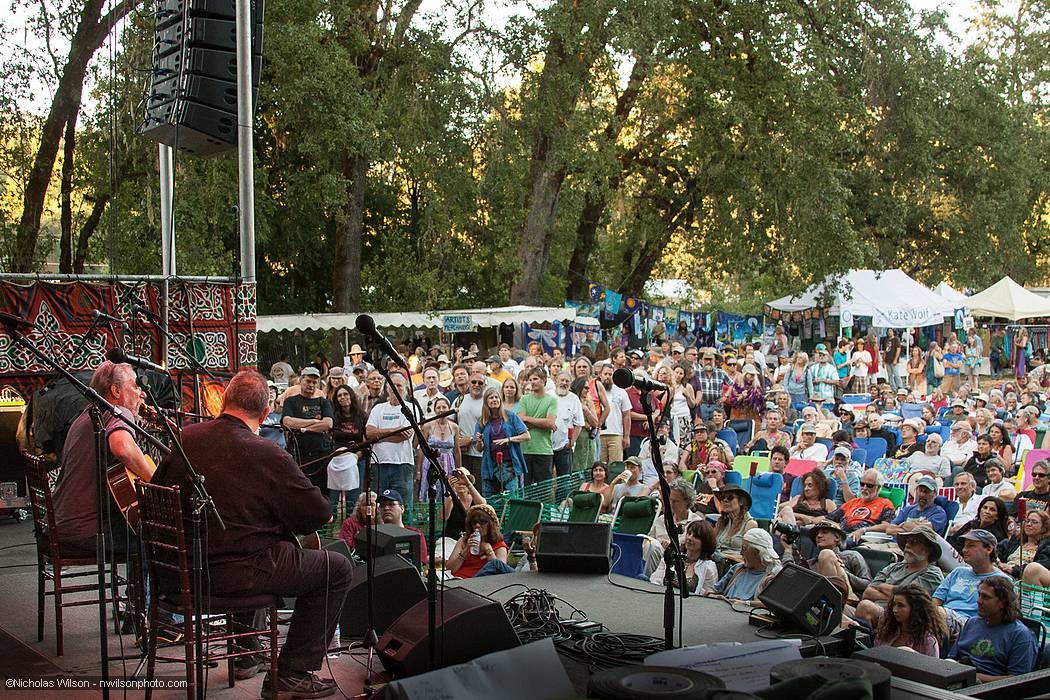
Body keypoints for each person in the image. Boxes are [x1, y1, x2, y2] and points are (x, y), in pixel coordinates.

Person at [153, 370, 351, 698]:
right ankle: (291, 672)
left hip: (178, 575)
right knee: (337, 569)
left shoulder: (183, 440)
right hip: (236, 575)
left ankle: (246, 651)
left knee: (256, 544)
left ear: (224, 402)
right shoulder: (265, 452)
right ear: (264, 413)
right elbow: (316, 514)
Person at [53, 360, 156, 555]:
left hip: (62, 524)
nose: (142, 393)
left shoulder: (85, 416)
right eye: (135, 386)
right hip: (88, 530)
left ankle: (138, 587)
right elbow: (122, 448)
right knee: (160, 538)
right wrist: (156, 480)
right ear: (116, 391)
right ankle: (147, 587)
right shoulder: (117, 412)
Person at [949, 576, 1037, 682]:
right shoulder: (971, 623)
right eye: (979, 595)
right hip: (957, 676)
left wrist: (972, 677)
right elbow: (952, 658)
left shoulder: (1021, 635)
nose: (979, 601)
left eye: (985, 597)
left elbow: (1018, 680)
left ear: (1002, 603)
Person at [854, 527, 945, 627]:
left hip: (898, 619)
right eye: (907, 541)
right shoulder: (893, 567)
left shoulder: (932, 574)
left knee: (865, 607)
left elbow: (911, 600)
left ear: (928, 549)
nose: (908, 545)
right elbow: (867, 593)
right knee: (840, 607)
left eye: (915, 542)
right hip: (874, 610)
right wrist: (898, 594)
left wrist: (882, 587)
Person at [934, 529, 1012, 640]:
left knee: (939, 613)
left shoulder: (1002, 580)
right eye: (965, 546)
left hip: (972, 625)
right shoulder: (958, 572)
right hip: (943, 617)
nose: (964, 550)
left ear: (989, 549)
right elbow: (936, 600)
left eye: (971, 546)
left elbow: (1002, 616)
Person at [365, 373, 421, 519]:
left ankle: (407, 534)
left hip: (402, 464)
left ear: (406, 388)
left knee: (403, 506)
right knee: (379, 506)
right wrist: (394, 431)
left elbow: (405, 435)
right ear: (387, 389)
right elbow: (369, 433)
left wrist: (380, 436)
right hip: (379, 463)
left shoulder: (410, 408)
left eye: (399, 385)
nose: (396, 388)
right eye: (392, 385)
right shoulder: (378, 408)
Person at [780, 519, 871, 600]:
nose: (819, 536)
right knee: (772, 576)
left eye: (824, 532)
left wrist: (841, 570)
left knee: (826, 554)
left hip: (846, 602)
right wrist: (788, 549)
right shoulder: (811, 563)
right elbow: (788, 576)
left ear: (837, 537)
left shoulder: (851, 556)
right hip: (815, 603)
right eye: (817, 534)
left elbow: (867, 584)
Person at [281, 366, 335, 495]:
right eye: (308, 381)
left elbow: (328, 424)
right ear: (301, 380)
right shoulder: (291, 401)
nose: (311, 385)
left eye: (314, 382)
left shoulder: (323, 402)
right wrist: (315, 422)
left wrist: (301, 428)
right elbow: (287, 422)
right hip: (299, 453)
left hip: (321, 454)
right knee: (300, 491)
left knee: (322, 492)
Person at [475, 387, 529, 496]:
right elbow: (479, 448)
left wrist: (508, 439)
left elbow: (526, 435)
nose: (494, 400)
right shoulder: (482, 420)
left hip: (510, 465)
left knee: (513, 498)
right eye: (491, 398)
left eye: (496, 397)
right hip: (490, 465)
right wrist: (479, 441)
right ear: (486, 402)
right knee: (490, 499)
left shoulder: (510, 416)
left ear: (500, 400)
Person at [644, 478, 702, 573]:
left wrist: (672, 545)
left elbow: (693, 550)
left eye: (675, 501)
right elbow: (649, 539)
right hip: (654, 557)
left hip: (676, 563)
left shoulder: (696, 523)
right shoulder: (661, 520)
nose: (670, 504)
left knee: (653, 546)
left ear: (687, 501)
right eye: (669, 500)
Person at [709, 528, 782, 602]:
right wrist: (713, 596)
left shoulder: (772, 576)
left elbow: (768, 604)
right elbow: (713, 590)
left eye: (744, 549)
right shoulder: (738, 569)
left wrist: (743, 603)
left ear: (757, 552)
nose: (741, 553)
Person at [861, 476, 947, 538]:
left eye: (926, 492)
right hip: (895, 545)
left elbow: (922, 532)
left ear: (935, 494)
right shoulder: (908, 509)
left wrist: (902, 525)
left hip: (920, 551)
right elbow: (889, 530)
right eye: (920, 491)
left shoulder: (939, 513)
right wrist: (911, 527)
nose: (922, 494)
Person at [875, 583, 947, 657]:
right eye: (894, 604)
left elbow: (931, 666)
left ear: (915, 608)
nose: (895, 610)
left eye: (901, 606)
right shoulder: (888, 631)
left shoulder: (928, 640)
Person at [650, 519, 719, 593]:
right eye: (689, 533)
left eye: (695, 536)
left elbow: (708, 596)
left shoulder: (709, 567)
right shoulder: (672, 557)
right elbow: (655, 581)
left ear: (705, 542)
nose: (689, 538)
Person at [447, 504, 513, 578]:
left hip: (479, 583)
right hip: (458, 579)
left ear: (490, 524)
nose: (477, 525)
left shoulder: (499, 545)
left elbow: (500, 572)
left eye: (482, 522)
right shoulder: (464, 541)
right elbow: (450, 569)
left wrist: (489, 552)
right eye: (474, 522)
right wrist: (466, 550)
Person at [416, 394, 461, 501]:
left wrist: (459, 471)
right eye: (438, 407)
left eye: (444, 407)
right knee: (430, 491)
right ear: (435, 410)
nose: (441, 410)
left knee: (448, 493)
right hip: (431, 463)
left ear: (449, 408)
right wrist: (418, 471)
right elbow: (422, 449)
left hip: (448, 463)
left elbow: (457, 451)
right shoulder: (428, 426)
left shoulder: (454, 427)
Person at [832, 469, 896, 535]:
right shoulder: (852, 502)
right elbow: (830, 518)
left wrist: (864, 530)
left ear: (878, 488)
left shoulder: (885, 504)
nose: (864, 488)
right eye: (862, 484)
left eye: (869, 485)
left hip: (865, 537)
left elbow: (887, 526)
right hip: (841, 534)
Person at [375, 489, 428, 562]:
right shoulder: (375, 535)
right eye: (382, 505)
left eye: (391, 504)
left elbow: (421, 563)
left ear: (402, 509)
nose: (386, 508)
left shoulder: (416, 534)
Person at [996, 509, 1050, 581]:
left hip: (1023, 580)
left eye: (1034, 522)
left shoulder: (1046, 546)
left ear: (1044, 528)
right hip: (1002, 572)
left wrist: (1013, 570)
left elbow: (1042, 565)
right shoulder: (1015, 541)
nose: (1029, 524)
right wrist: (998, 561)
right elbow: (997, 551)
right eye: (1027, 521)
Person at [454, 371, 488, 483]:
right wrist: (457, 439)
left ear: (485, 385)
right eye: (474, 382)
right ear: (468, 383)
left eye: (480, 383)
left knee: (478, 488)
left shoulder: (487, 402)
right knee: (463, 486)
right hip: (462, 453)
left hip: (480, 454)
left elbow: (491, 427)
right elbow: (450, 421)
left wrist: (470, 439)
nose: (476, 385)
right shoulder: (460, 399)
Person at [551, 371, 584, 480]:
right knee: (545, 480)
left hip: (565, 447)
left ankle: (563, 498)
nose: (564, 383)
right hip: (546, 446)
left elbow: (579, 424)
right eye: (562, 380)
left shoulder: (574, 399)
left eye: (567, 381)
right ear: (556, 381)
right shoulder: (548, 396)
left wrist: (571, 442)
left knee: (564, 481)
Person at [713, 486, 758, 561]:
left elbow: (752, 556)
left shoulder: (750, 524)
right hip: (716, 562)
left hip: (735, 565)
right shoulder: (722, 521)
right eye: (722, 497)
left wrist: (725, 557)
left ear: (741, 502)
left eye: (730, 497)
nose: (725, 500)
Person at [598, 363, 632, 463]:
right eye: (605, 374)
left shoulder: (621, 392)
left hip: (616, 434)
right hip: (598, 434)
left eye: (610, 374)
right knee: (599, 465)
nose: (608, 377)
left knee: (616, 466)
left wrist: (626, 436)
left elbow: (626, 415)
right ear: (600, 375)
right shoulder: (594, 390)